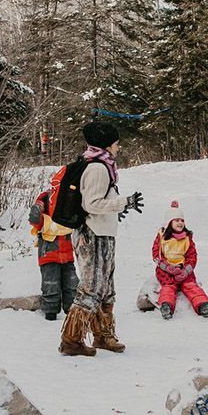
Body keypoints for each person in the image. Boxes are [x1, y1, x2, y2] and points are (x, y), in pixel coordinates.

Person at [59, 120, 144, 356]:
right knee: (92, 288)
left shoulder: (101, 164)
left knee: (106, 288)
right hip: (92, 235)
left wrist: (117, 209)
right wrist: (123, 202)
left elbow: (99, 201)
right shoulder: (97, 167)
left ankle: (103, 336)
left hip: (102, 233)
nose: (118, 147)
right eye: (116, 143)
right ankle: (72, 340)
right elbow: (92, 204)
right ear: (106, 144)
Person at [152, 200, 208, 319]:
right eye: (177, 220)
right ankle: (166, 305)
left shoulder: (187, 238)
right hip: (166, 270)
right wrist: (166, 267)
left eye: (182, 220)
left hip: (183, 269)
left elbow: (192, 256)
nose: (180, 223)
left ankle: (202, 304)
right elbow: (156, 255)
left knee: (191, 286)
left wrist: (186, 271)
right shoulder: (162, 237)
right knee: (168, 287)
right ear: (169, 223)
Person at [29, 191, 77, 320]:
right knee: (51, 282)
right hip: (49, 252)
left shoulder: (70, 202)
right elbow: (35, 221)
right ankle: (50, 311)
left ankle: (71, 309)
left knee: (71, 282)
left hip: (67, 254)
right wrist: (37, 209)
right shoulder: (45, 202)